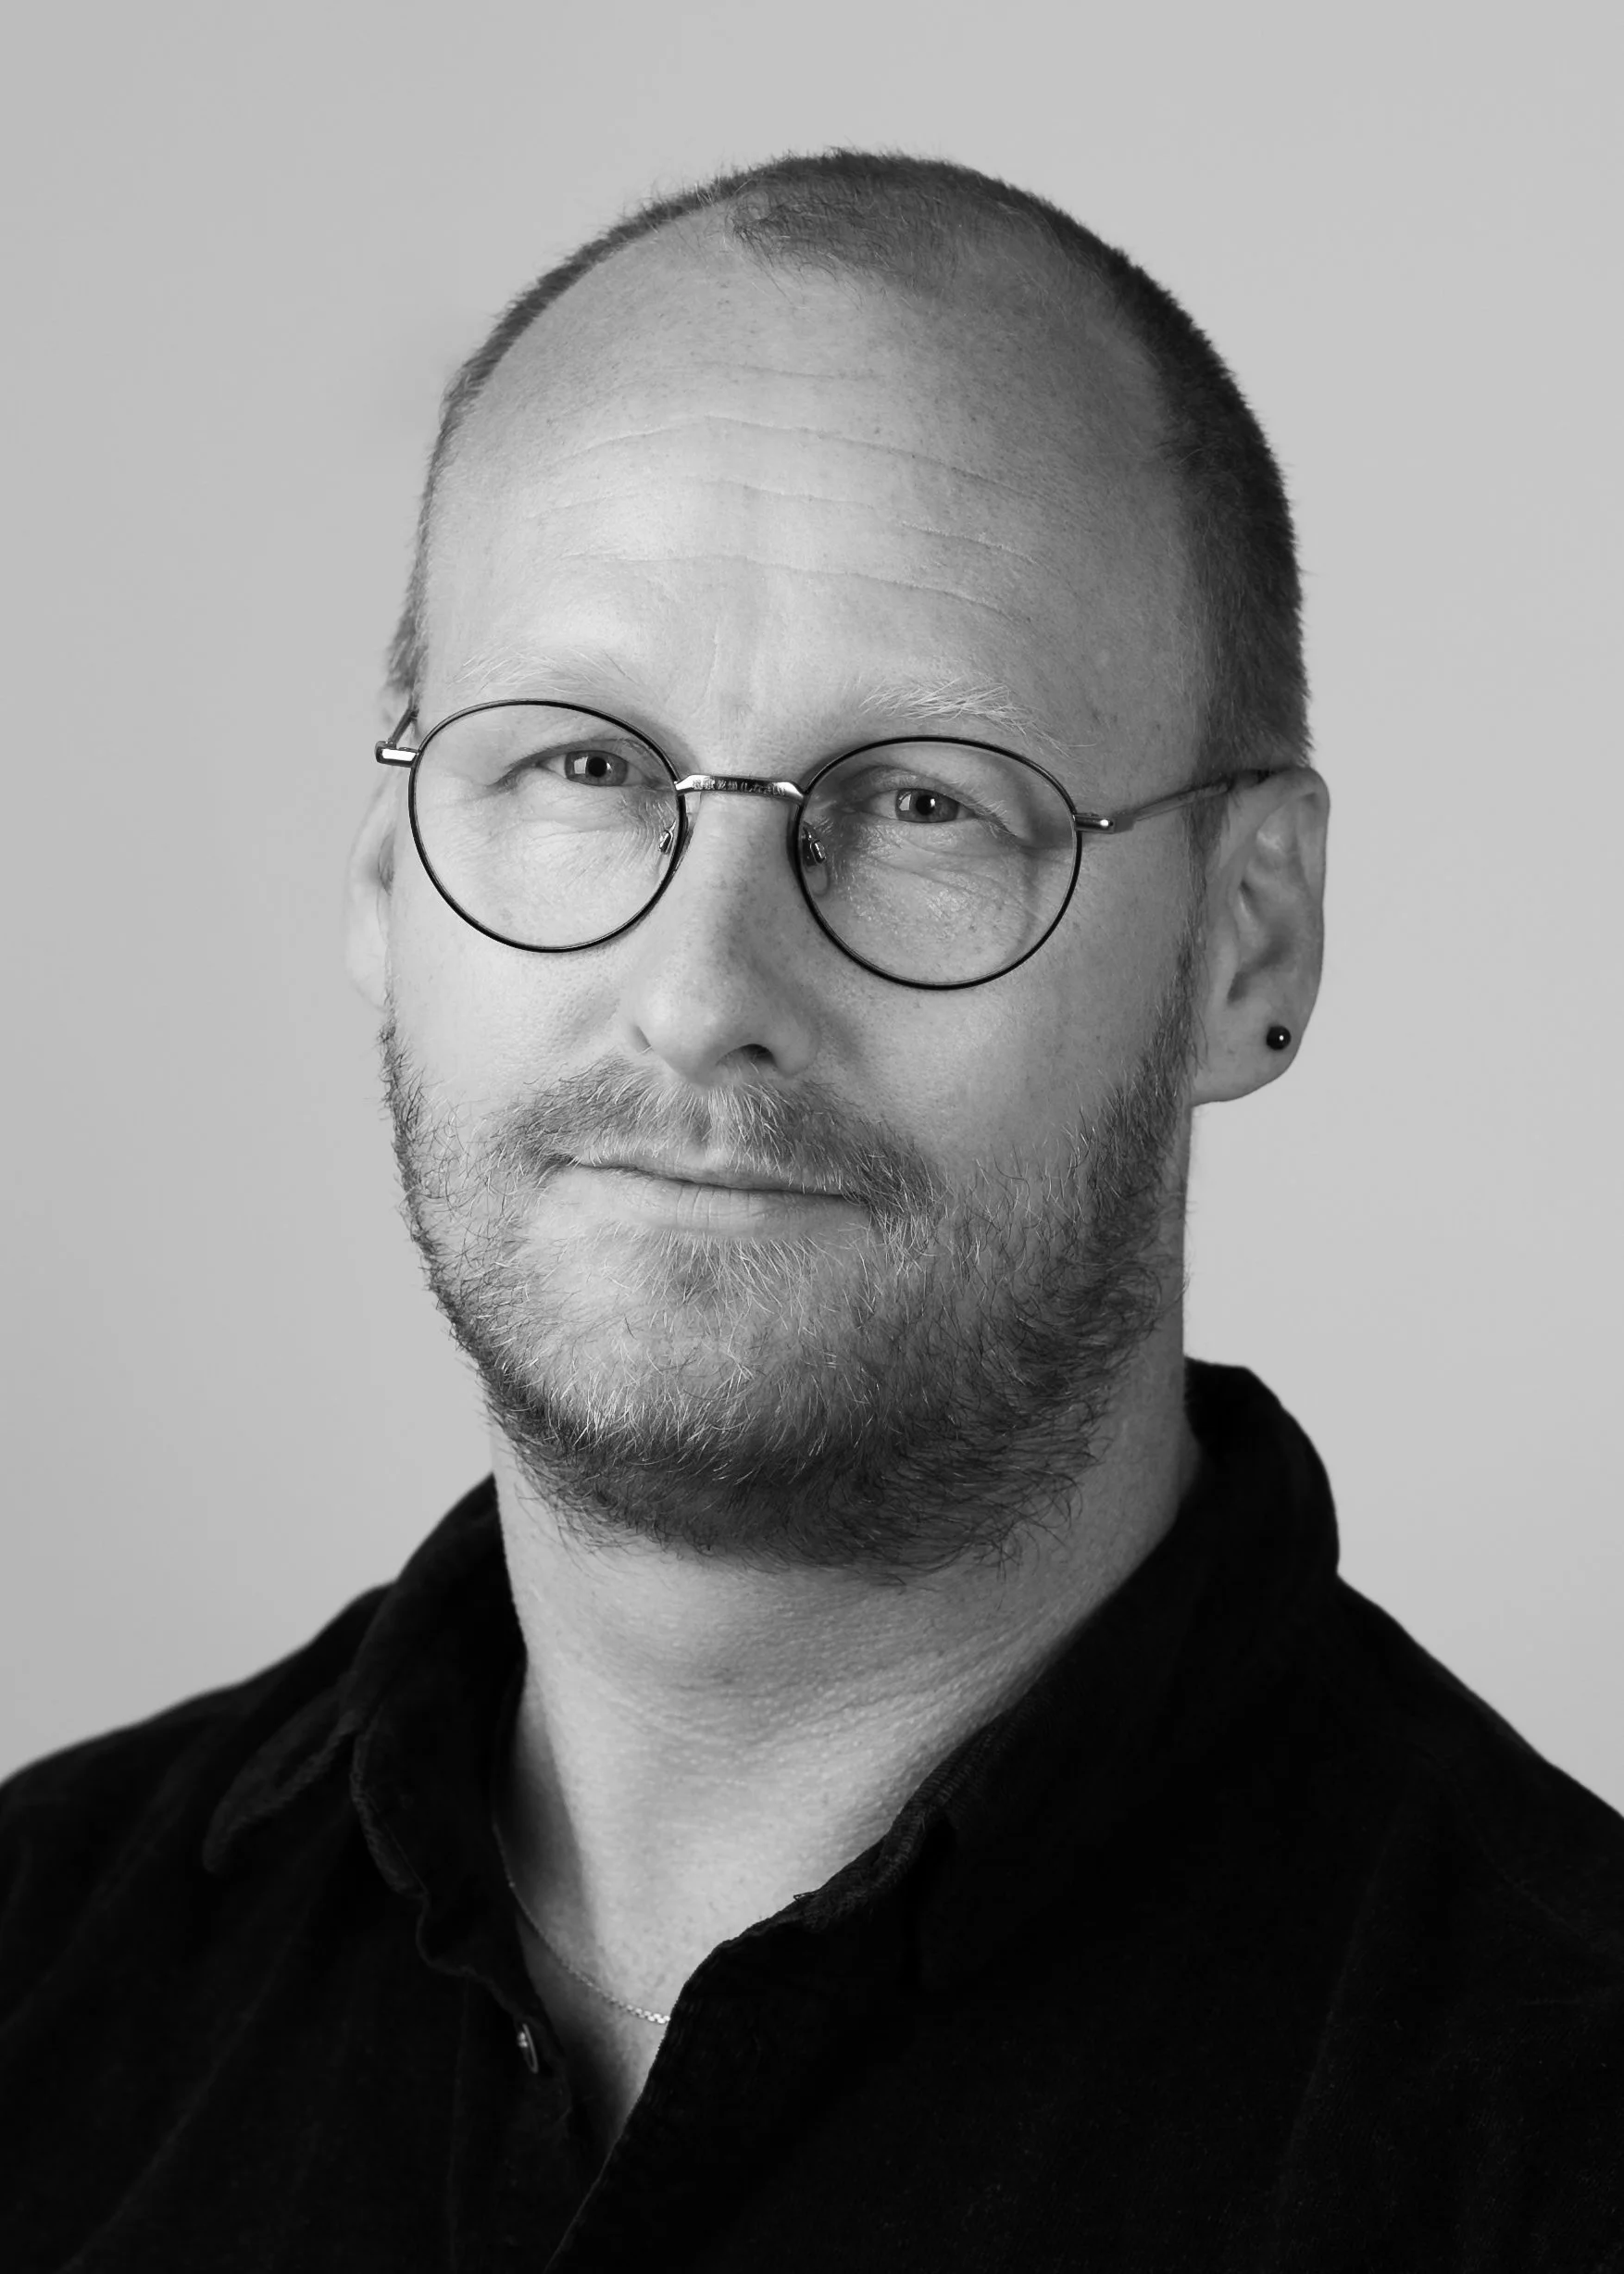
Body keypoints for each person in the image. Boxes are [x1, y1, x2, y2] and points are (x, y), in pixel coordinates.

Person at [3, 149, 1620, 2273]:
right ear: (389, 874)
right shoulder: (39, 1964)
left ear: (1247, 939)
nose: (703, 993)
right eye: (582, 766)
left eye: (931, 802)